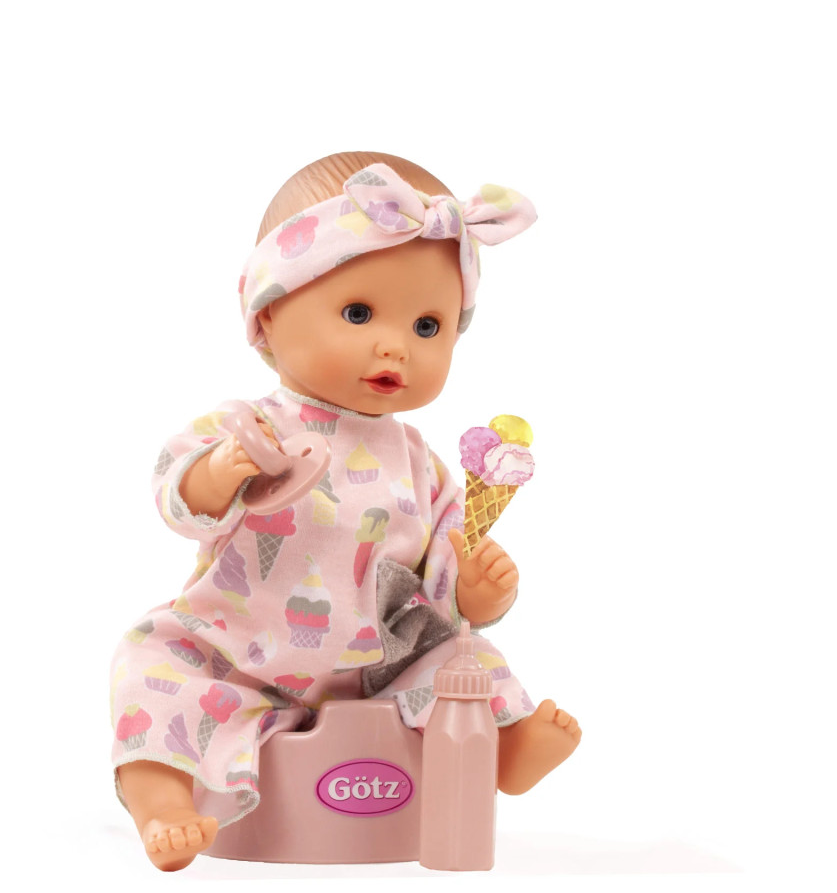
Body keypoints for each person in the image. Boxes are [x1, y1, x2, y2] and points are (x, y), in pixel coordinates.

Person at [111, 152, 582, 871]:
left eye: (428, 326)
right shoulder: (249, 426)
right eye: (358, 313)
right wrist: (219, 474)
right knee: (148, 666)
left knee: (465, 662)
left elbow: (442, 573)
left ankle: (507, 747)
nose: (396, 344)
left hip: (379, 669)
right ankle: (164, 802)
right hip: (237, 655)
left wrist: (477, 591)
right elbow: (177, 496)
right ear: (269, 315)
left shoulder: (421, 463)